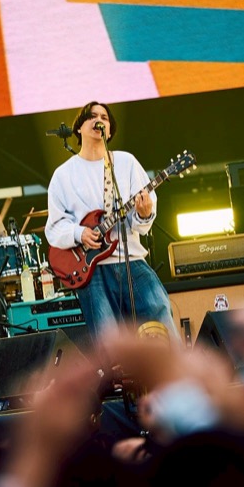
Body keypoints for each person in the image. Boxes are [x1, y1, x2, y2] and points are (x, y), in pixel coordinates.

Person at [45, 101, 178, 339]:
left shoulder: (126, 163)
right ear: (79, 127)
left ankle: (170, 362)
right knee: (108, 339)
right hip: (90, 270)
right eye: (92, 116)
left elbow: (140, 222)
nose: (99, 120)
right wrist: (79, 233)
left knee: (158, 312)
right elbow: (54, 227)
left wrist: (144, 213)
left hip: (131, 260)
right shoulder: (63, 175)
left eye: (104, 118)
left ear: (109, 130)